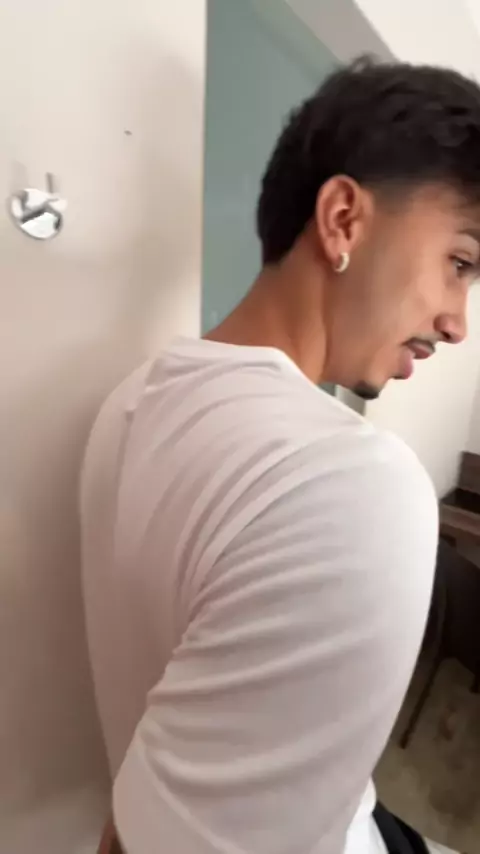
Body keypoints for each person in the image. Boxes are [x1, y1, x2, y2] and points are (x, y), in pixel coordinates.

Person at [81, 57, 480, 854]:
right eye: (460, 263)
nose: (457, 321)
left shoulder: (131, 402)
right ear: (343, 220)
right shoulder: (355, 485)